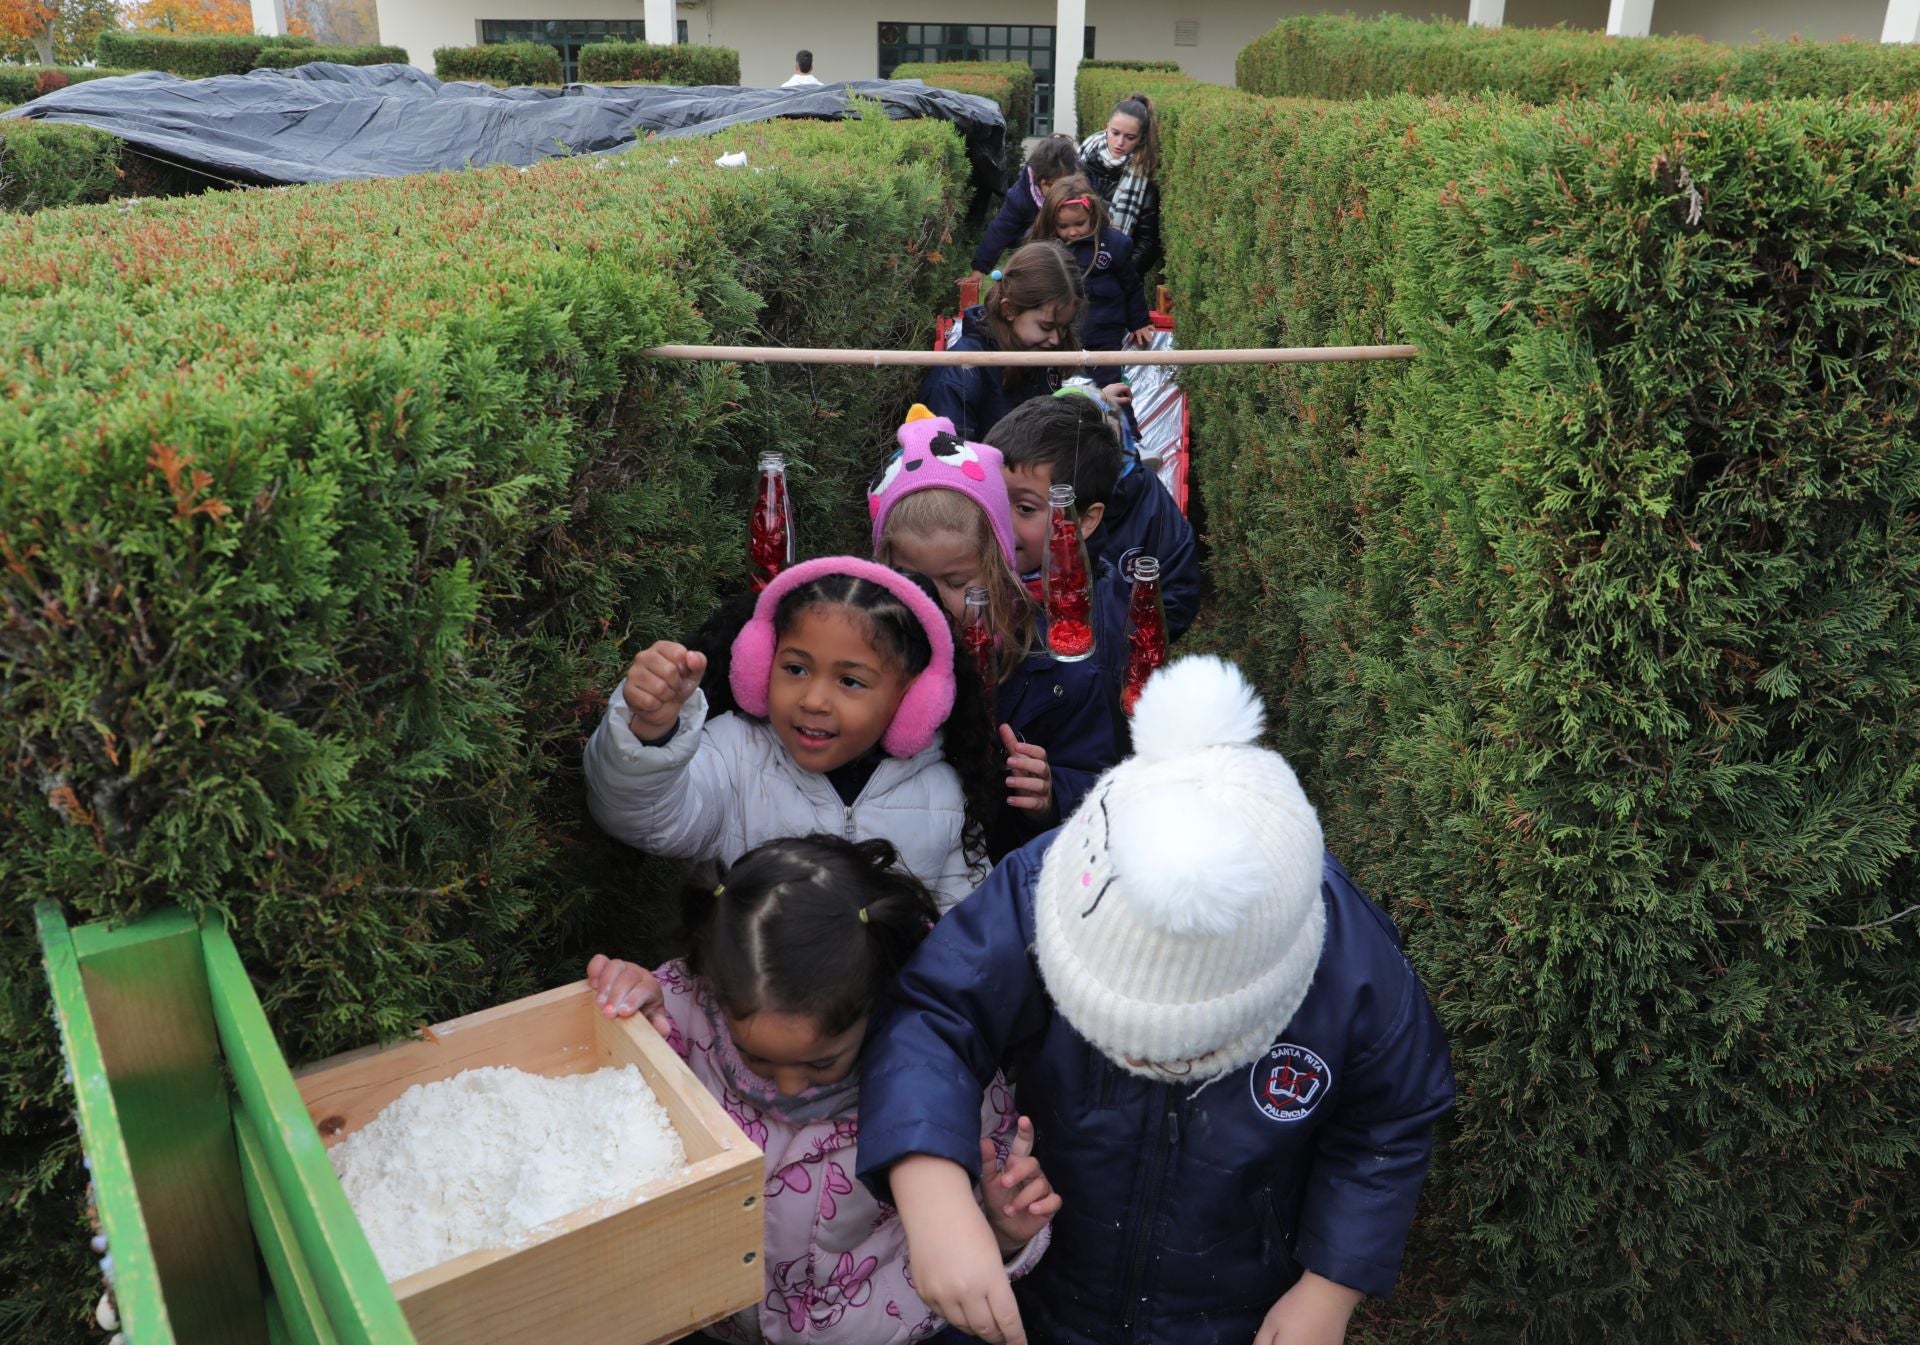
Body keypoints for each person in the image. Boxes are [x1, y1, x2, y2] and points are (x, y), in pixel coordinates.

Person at [855, 656, 1457, 1345]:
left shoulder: (1352, 964)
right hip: (1048, 1268)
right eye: (1108, 1030)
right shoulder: (1042, 886)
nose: (1138, 1056)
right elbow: (934, 1013)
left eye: (1186, 1050)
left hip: (1228, 1303)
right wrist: (928, 1182)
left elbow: (1392, 1115)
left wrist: (1330, 1286)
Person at [586, 834, 1058, 1345]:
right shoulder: (688, 1018)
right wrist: (637, 1019)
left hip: (888, 1329)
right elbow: (635, 1089)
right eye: (756, 1059)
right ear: (715, 992)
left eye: (821, 1062)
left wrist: (999, 1226)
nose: (788, 1084)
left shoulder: (939, 1076)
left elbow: (970, 1216)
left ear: (878, 1001)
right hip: (720, 1322)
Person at [583, 557, 999, 910]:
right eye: (796, 669)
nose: (814, 700)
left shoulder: (944, 796)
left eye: (850, 681)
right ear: (760, 664)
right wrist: (650, 730)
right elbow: (642, 818)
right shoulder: (735, 754)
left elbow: (963, 941)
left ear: (913, 700)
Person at [871, 406, 1119, 831]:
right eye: (910, 579)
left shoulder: (1055, 671)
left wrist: (1051, 793)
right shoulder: (865, 654)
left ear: (999, 573)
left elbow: (1096, 781)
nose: (933, 599)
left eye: (955, 581)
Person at [986, 391, 1197, 731]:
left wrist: (1055, 784)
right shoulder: (972, 574)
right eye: (992, 496)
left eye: (1025, 508)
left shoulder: (1102, 627)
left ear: (1083, 521)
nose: (1000, 519)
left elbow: (1101, 747)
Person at [920, 242, 1126, 442]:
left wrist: (1092, 402)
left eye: (1064, 327)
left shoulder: (1032, 353)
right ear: (1009, 310)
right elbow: (948, 463)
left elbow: (1039, 421)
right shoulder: (960, 375)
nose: (1056, 339)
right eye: (1046, 326)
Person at [1024, 174, 1152, 382]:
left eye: (1079, 223)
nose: (1072, 232)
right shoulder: (1047, 248)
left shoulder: (1113, 245)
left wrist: (1139, 322)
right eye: (1063, 227)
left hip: (1105, 333)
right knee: (1056, 386)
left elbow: (1131, 285)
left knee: (1110, 387)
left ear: (1092, 213)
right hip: (1060, 334)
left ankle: (1119, 414)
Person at [968, 134, 1080, 286]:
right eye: (1050, 185)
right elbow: (1000, 230)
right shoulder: (1021, 197)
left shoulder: (1083, 190)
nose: (1057, 191)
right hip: (1036, 253)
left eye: (1063, 184)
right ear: (1037, 178)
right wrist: (979, 268)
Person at [1078, 93, 1163, 278]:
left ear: (1141, 139)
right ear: (1106, 127)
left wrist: (1122, 275)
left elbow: (1147, 242)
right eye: (1115, 133)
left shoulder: (1144, 180)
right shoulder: (1082, 160)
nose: (1120, 142)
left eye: (1130, 137)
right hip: (1071, 271)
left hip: (1115, 278)